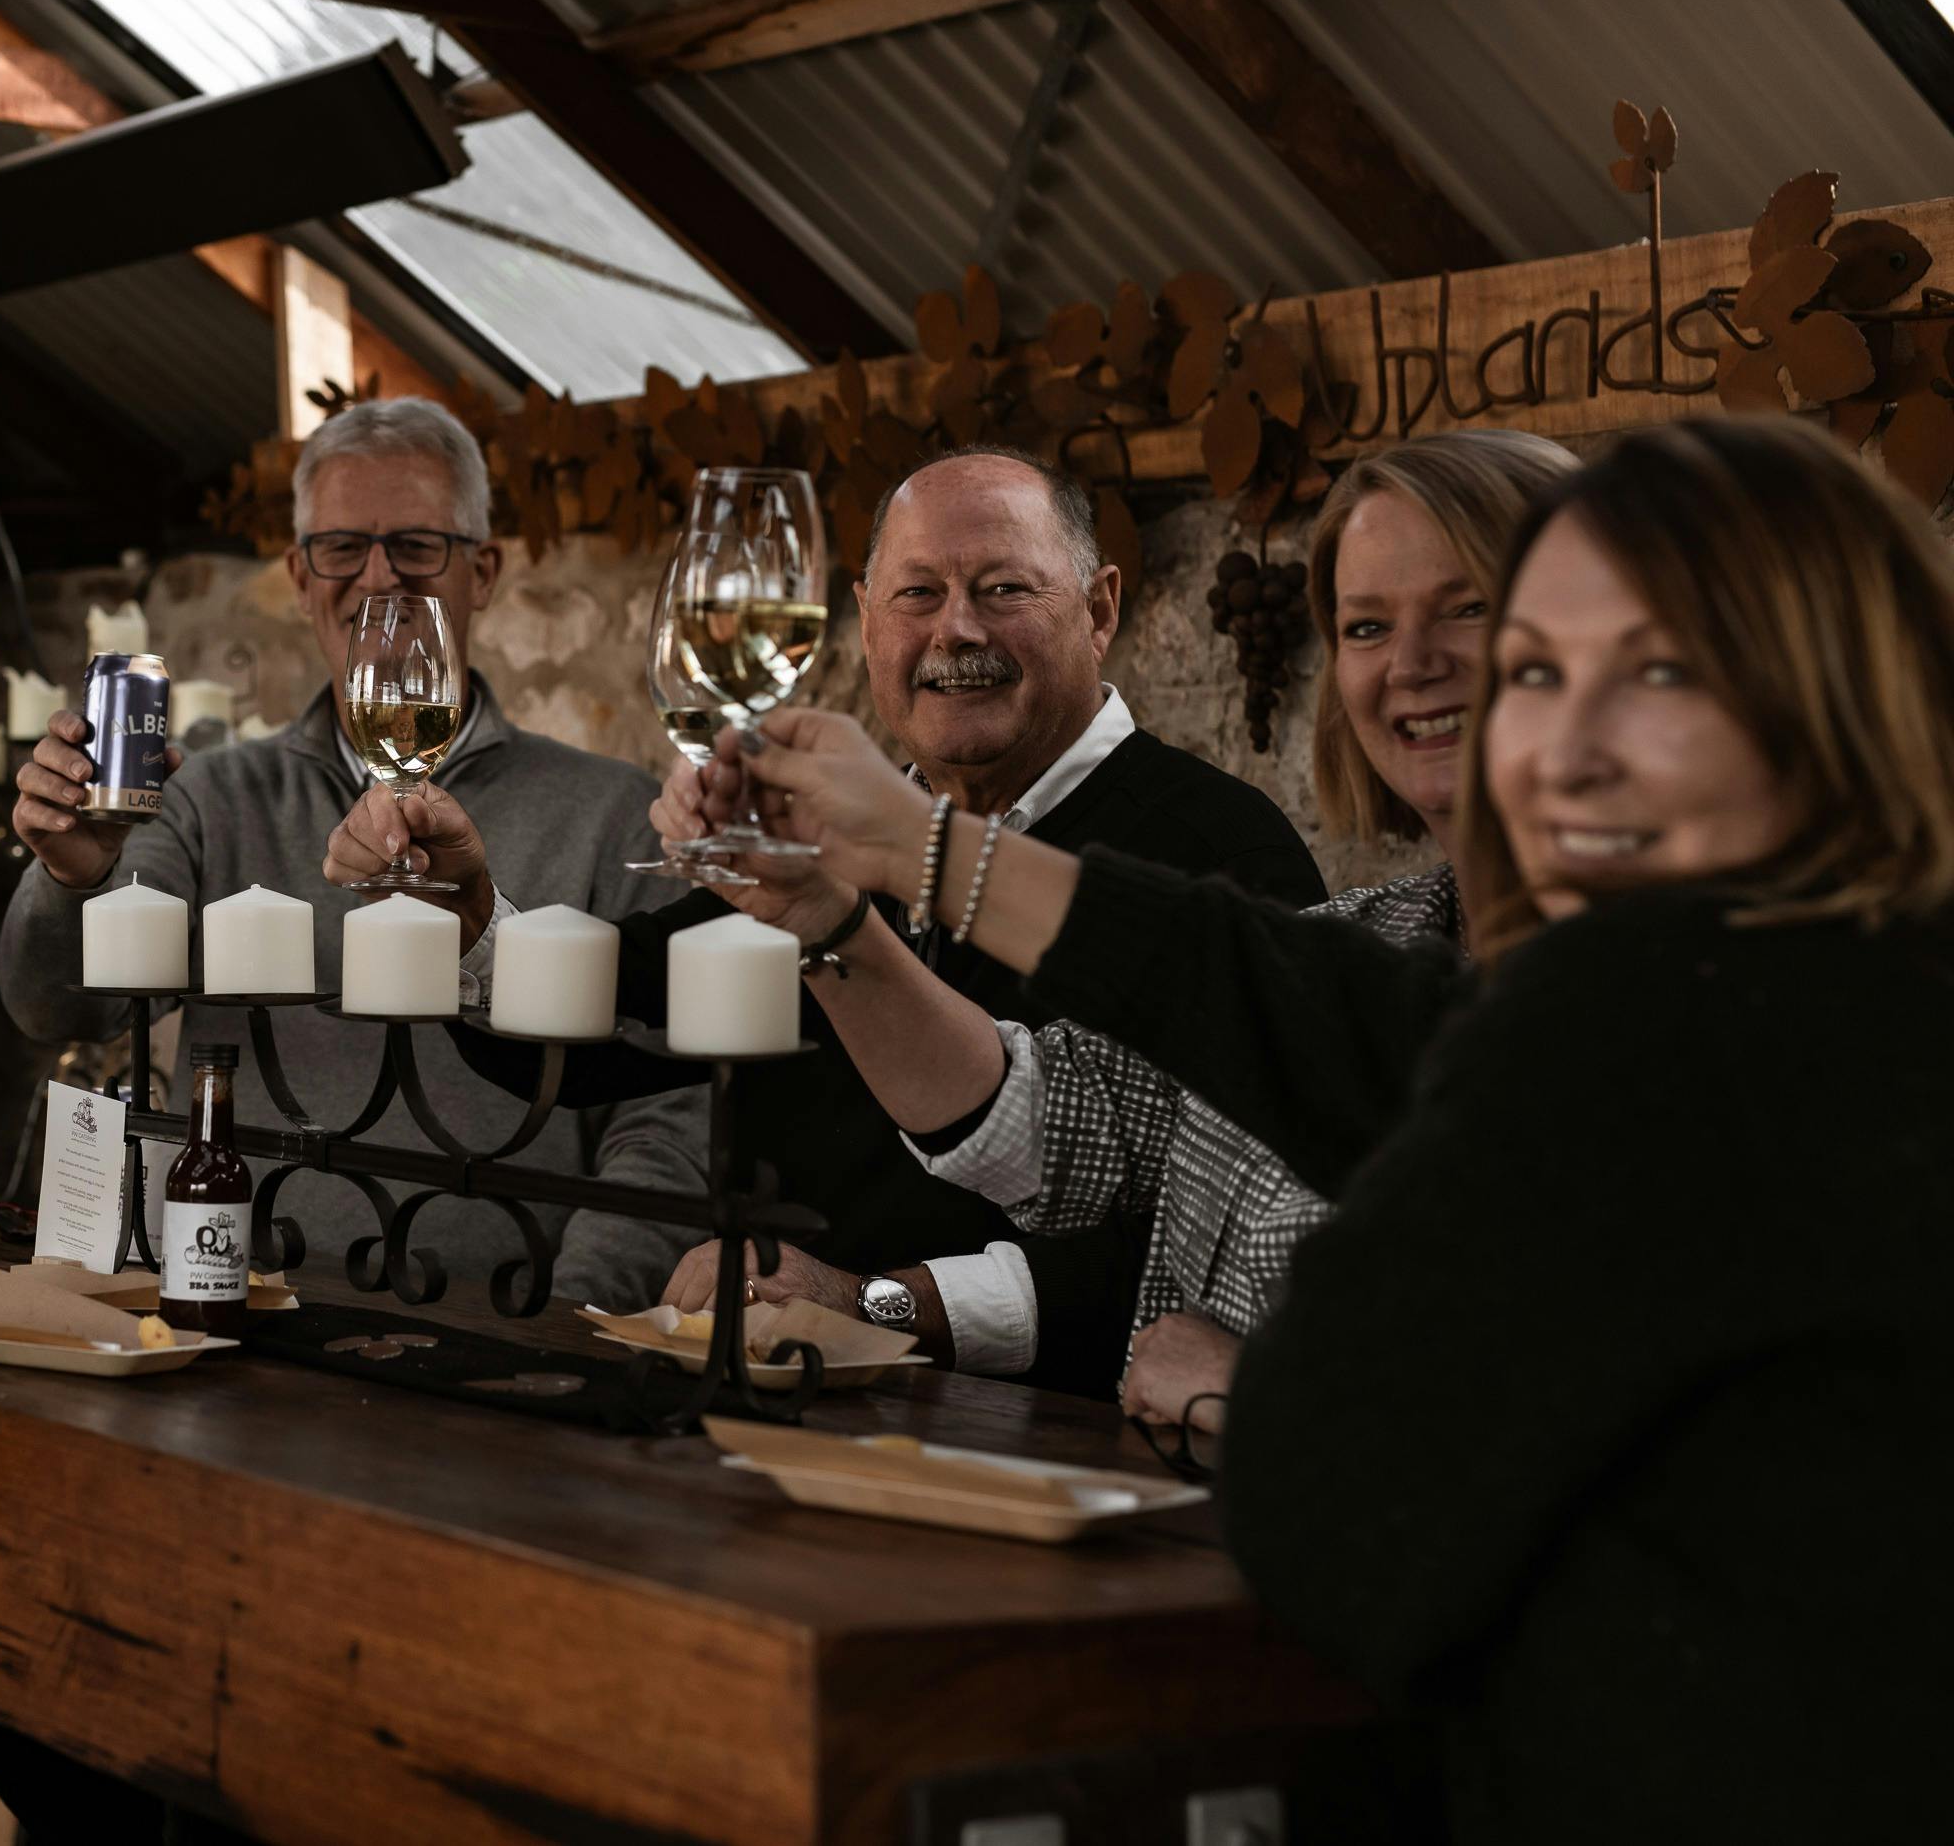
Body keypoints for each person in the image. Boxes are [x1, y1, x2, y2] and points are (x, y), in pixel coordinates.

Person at [730, 416, 1954, 1840]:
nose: (1550, 733)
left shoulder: (1651, 1001)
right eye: (1543, 670)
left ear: (1823, 692)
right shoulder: (1823, 980)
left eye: (1658, 671)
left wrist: (1233, 1401)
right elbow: (1239, 1004)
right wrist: (873, 885)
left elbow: (1340, 1510)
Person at [350, 445, 1325, 1393]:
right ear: (862, 621)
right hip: (791, 1401)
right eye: (916, 594)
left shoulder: (1224, 854)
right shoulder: (824, 838)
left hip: (1067, 1442)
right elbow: (614, 1020)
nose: (956, 631)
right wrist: (469, 911)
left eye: (1004, 589)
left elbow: (1213, 1246)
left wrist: (877, 1300)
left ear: (1100, 607)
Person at [798, 432, 1574, 1417]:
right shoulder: (1374, 934)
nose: (1413, 663)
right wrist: (829, 919)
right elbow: (1047, 1125)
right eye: (1368, 626)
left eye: (1465, 606)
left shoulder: (1655, 993)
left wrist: (1264, 1395)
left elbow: (1608, 1392)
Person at [0, 397, 704, 1306]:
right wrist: (73, 875)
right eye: (342, 548)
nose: (379, 579)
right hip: (231, 1314)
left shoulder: (612, 815)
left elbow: (665, 1117)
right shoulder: (208, 799)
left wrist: (570, 1311)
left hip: (503, 1335)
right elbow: (61, 1012)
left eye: (417, 545)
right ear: (298, 576)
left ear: (483, 571)